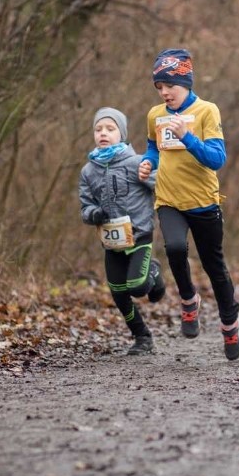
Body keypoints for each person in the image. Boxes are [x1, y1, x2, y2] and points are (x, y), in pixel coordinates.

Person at [138, 48, 239, 360]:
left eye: (169, 85)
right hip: (168, 199)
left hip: (203, 202)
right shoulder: (155, 115)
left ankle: (230, 326)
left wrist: (188, 137)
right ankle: (188, 301)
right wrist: (147, 162)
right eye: (159, 87)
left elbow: (217, 159)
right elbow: (153, 147)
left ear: (186, 82)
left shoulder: (207, 111)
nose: (164, 92)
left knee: (215, 268)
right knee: (174, 249)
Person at [79, 107, 166, 355]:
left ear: (122, 133)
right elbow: (85, 208)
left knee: (138, 286)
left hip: (139, 235)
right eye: (98, 129)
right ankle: (142, 337)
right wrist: (94, 213)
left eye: (110, 128)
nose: (103, 133)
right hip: (112, 241)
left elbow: (162, 185)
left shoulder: (137, 162)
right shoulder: (88, 171)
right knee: (118, 293)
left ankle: (154, 271)